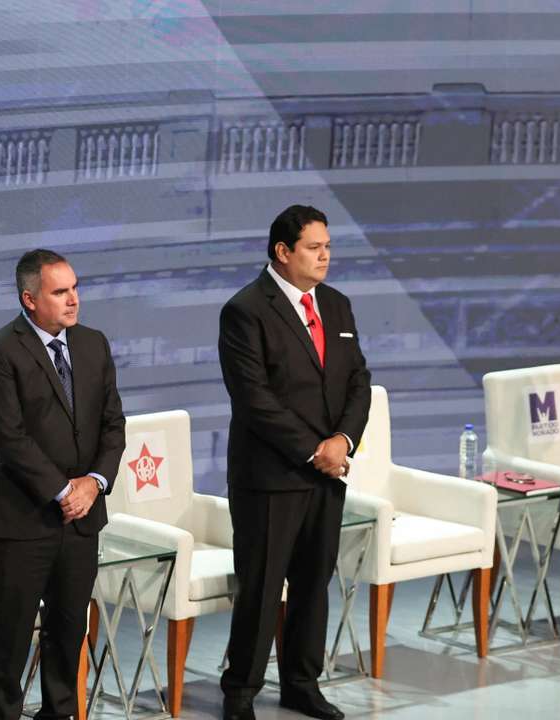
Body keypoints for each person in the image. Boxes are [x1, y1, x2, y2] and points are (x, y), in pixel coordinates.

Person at [217, 205, 371, 720]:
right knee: (261, 589)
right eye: (313, 247)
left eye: (328, 245)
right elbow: (254, 398)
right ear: (283, 252)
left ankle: (302, 683)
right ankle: (240, 693)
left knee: (313, 583)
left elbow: (357, 382)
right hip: (271, 478)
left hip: (328, 475)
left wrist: (344, 441)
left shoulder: (338, 305)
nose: (325, 255)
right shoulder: (245, 310)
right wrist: (315, 450)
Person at [0, 249, 126, 720]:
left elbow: (112, 424)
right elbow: (10, 438)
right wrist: (64, 491)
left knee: (67, 635)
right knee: (8, 641)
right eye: (61, 292)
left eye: (75, 288)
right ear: (30, 298)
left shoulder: (93, 344)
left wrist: (94, 484)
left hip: (81, 522)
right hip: (22, 520)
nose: (73, 299)